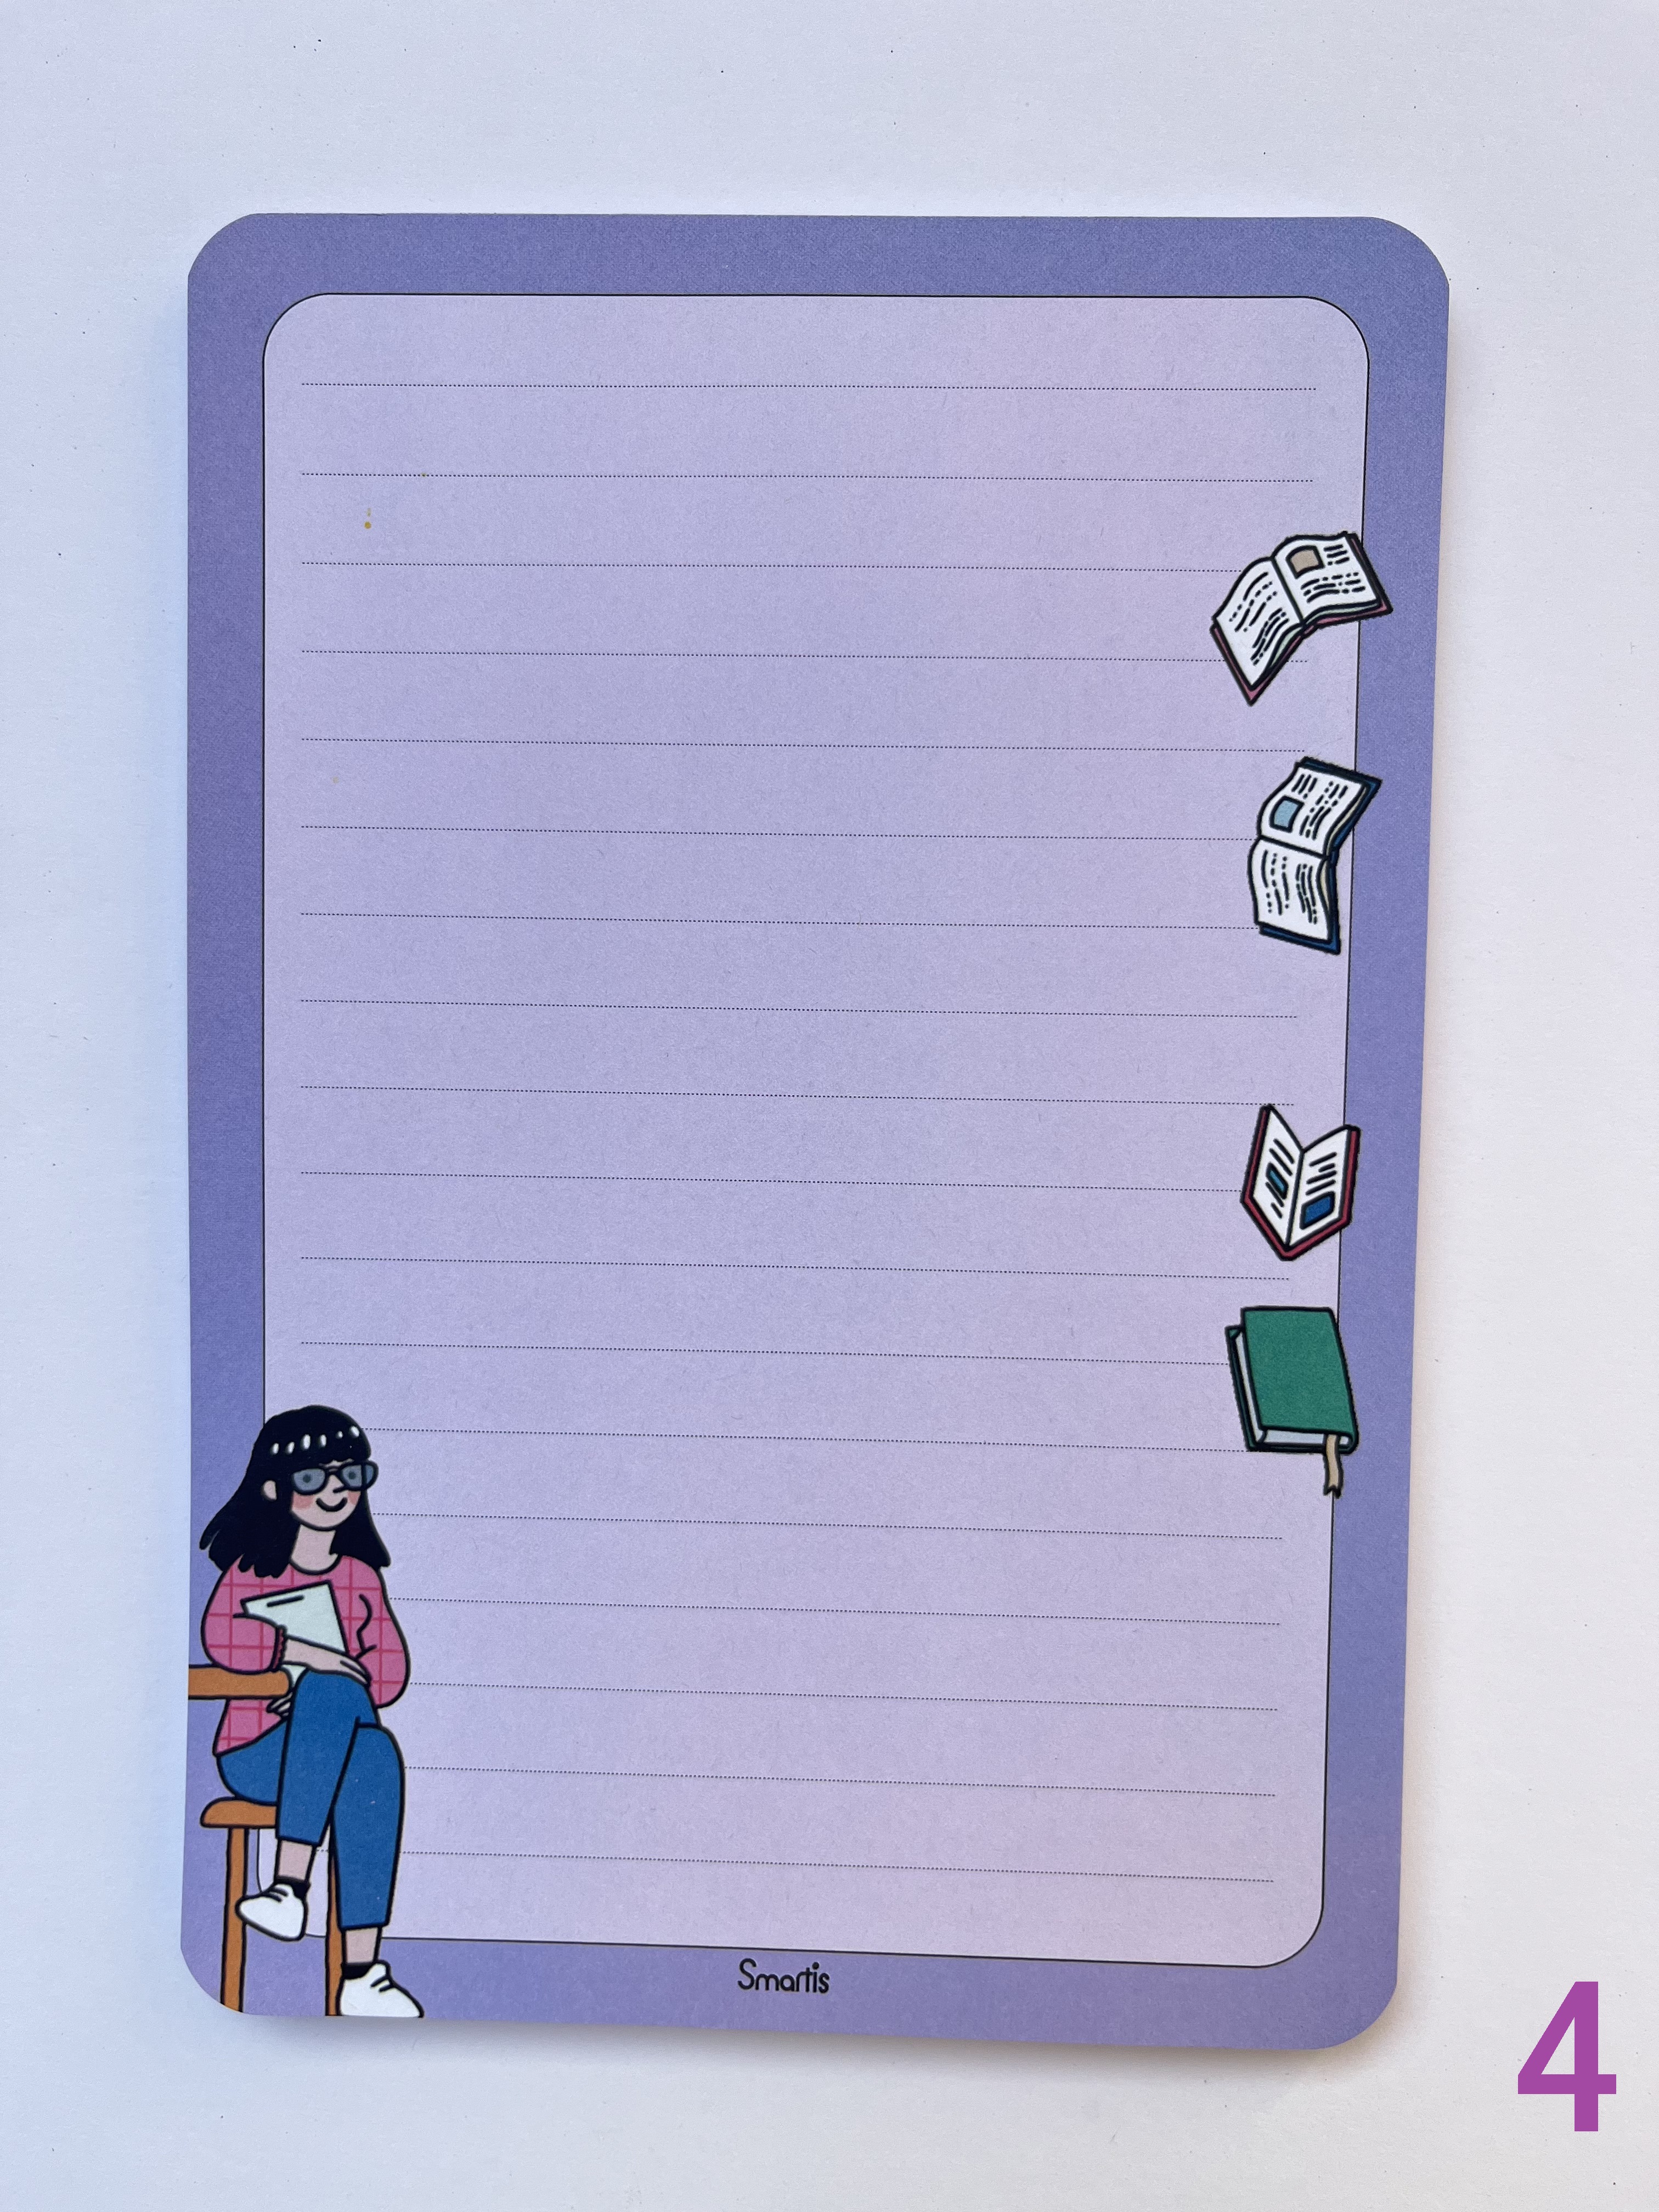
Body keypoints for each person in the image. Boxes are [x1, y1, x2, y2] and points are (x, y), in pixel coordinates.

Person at [199, 1404, 422, 2018]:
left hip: (341, 1745)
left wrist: (319, 1690)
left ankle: (345, 1956)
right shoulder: (252, 1570)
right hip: (258, 1751)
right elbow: (222, 1638)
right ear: (275, 1489)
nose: (334, 1491)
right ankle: (313, 1911)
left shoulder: (359, 1577)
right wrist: (299, 1656)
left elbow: (389, 1674)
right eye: (312, 1478)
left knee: (373, 1753)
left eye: (350, 1475)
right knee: (333, 1692)